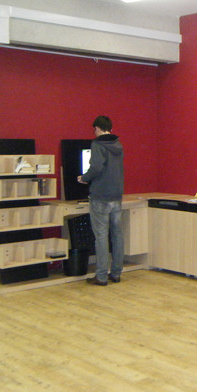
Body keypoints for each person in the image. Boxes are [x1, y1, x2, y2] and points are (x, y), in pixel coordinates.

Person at [78, 115, 124, 286]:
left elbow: (96, 167)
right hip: (116, 195)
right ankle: (116, 273)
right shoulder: (118, 145)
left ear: (97, 128)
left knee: (101, 236)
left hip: (100, 195)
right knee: (117, 235)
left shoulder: (97, 144)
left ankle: (102, 276)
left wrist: (84, 178)